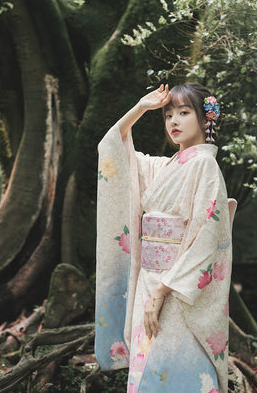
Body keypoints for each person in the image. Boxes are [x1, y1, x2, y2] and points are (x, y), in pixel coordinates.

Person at [95, 83, 232, 393]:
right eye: (168, 114)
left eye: (184, 113)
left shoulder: (205, 166)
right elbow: (115, 148)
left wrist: (162, 290)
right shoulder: (163, 166)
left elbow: (206, 238)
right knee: (147, 373)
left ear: (204, 118)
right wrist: (141, 108)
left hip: (177, 290)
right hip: (149, 282)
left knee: (177, 369)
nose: (174, 121)